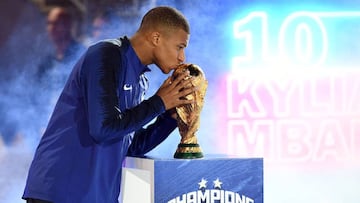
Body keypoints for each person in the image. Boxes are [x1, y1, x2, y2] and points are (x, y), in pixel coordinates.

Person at [23, 6, 196, 203]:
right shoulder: (106, 54)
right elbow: (104, 128)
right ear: (156, 38)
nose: (182, 57)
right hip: (60, 192)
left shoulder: (141, 80)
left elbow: (131, 146)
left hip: (98, 196)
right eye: (180, 47)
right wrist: (159, 102)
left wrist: (170, 118)